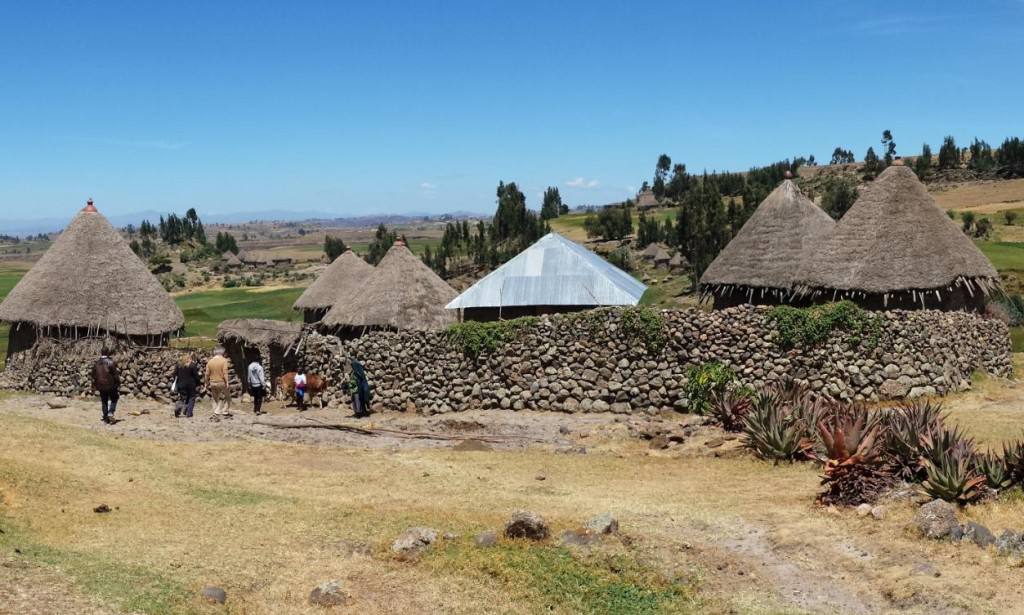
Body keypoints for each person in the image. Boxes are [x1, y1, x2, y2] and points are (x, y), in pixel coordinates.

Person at [91, 348, 120, 424]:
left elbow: (93, 375)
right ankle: (111, 411)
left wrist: (95, 385)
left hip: (100, 385)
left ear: (101, 353)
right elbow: (115, 374)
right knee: (114, 398)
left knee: (104, 401)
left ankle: (105, 417)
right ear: (108, 353)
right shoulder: (111, 362)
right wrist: (118, 383)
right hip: (110, 385)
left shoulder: (96, 363)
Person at [205, 346, 232, 419]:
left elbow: (207, 373)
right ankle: (225, 412)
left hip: (212, 382)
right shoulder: (224, 360)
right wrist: (227, 382)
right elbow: (225, 372)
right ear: (222, 353)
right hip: (221, 381)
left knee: (215, 398)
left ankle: (215, 411)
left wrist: (206, 383)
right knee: (227, 396)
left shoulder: (210, 361)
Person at [173, 352, 201, 418]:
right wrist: (198, 383)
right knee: (191, 398)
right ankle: (189, 413)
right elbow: (196, 376)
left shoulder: (178, 365)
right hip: (191, 385)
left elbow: (174, 374)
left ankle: (178, 409)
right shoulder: (192, 365)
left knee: (182, 398)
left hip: (181, 384)